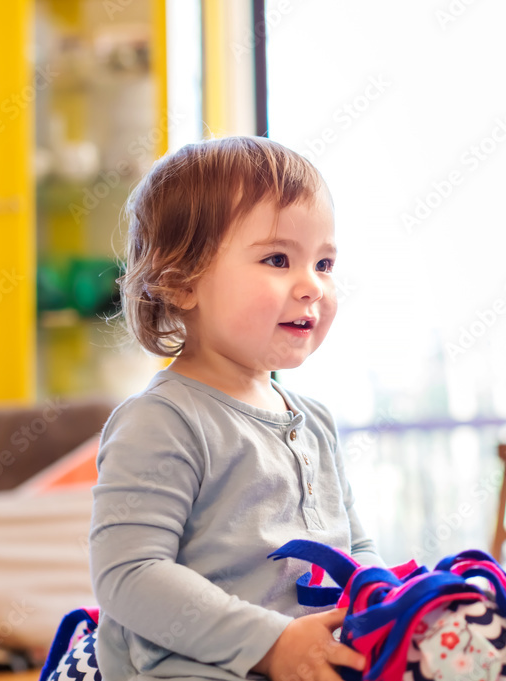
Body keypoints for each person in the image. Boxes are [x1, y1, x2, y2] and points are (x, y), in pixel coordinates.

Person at [90, 136, 382, 681]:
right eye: (278, 259)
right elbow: (129, 574)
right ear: (180, 282)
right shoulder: (163, 420)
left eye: (324, 262)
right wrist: (272, 644)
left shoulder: (314, 421)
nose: (312, 286)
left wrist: (385, 608)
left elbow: (356, 547)